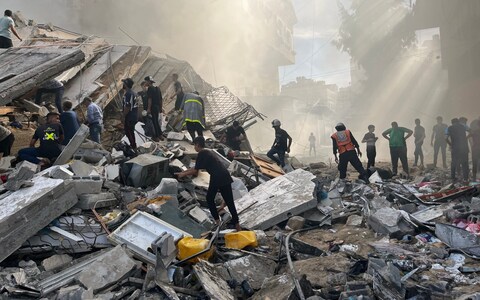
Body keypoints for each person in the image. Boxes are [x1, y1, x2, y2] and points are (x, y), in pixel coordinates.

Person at [175, 136, 241, 231]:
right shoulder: (207, 152)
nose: (194, 147)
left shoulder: (201, 153)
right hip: (225, 175)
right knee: (229, 201)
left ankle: (217, 222)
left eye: (194, 145)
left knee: (209, 198)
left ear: (197, 144)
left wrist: (181, 175)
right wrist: (182, 173)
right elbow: (195, 169)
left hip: (217, 177)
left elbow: (195, 171)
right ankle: (237, 224)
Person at [447, 118, 469, 182]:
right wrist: (466, 138)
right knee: (465, 163)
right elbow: (471, 131)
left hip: (455, 148)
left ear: (452, 123)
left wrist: (450, 144)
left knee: (454, 162)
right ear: (458, 122)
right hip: (464, 148)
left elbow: (445, 138)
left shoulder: (449, 128)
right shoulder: (463, 126)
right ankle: (465, 178)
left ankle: (453, 177)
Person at [144, 76, 163, 141]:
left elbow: (150, 99)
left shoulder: (150, 88)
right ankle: (160, 135)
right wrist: (160, 108)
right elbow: (160, 99)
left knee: (153, 122)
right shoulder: (157, 88)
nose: (145, 82)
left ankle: (155, 136)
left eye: (146, 81)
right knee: (156, 121)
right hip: (157, 107)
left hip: (152, 107)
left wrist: (148, 109)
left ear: (148, 81)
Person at [122, 78, 138, 149]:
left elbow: (128, 106)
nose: (123, 84)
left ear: (126, 84)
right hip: (134, 116)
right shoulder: (134, 93)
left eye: (124, 83)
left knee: (129, 132)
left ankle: (133, 147)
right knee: (130, 132)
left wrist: (123, 116)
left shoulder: (128, 94)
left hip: (130, 117)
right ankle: (133, 145)